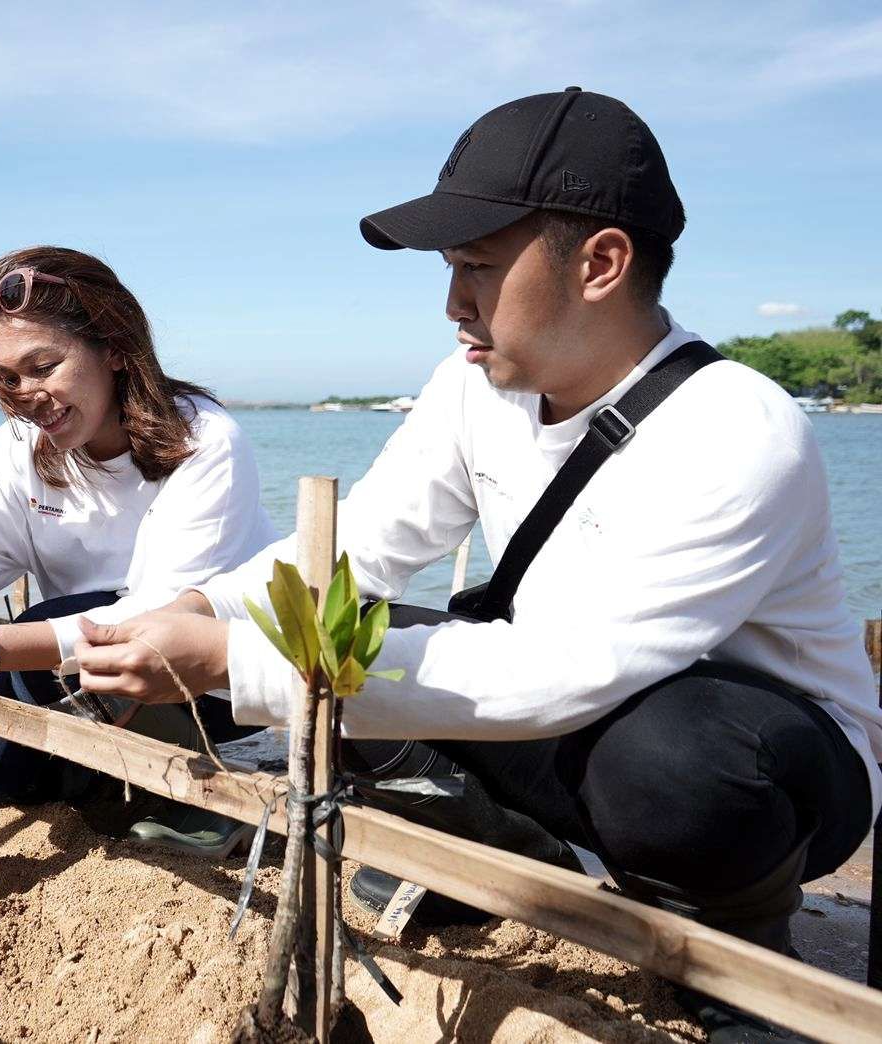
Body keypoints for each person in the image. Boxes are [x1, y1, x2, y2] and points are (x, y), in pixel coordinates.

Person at [73, 89, 880, 1039]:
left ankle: (737, 942)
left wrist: (232, 664)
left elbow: (567, 675)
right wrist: (186, 612)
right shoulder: (473, 387)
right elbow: (351, 553)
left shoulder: (736, 429)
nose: (453, 304)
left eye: (478, 268)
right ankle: (503, 855)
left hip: (758, 760)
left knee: (671, 759)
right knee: (354, 633)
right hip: (572, 717)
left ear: (602, 264)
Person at [0, 245, 278, 856]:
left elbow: (160, 617)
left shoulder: (204, 440)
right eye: (8, 378)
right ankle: (110, 779)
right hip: (87, 668)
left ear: (113, 346)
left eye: (44, 366)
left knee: (45, 629)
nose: (29, 394)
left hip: (211, 684)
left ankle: (205, 793)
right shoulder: (21, 449)